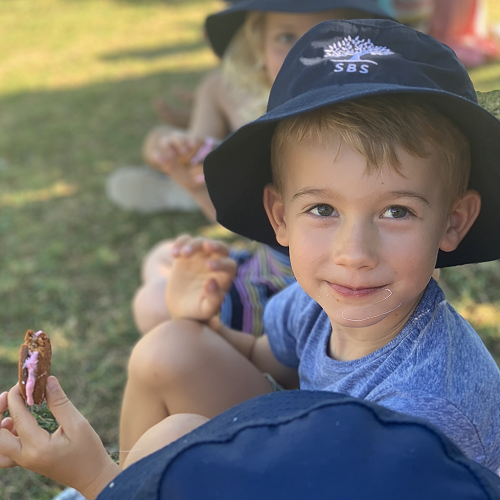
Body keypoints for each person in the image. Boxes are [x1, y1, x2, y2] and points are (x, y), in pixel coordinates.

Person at [119, 18, 500, 473]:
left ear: (452, 222)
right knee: (171, 347)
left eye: (396, 212)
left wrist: (89, 470)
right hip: (325, 454)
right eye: (323, 209)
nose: (353, 254)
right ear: (281, 217)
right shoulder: (317, 302)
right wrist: (201, 320)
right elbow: (263, 359)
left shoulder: (425, 403)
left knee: (171, 436)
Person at [123, 0, 392, 337]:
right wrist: (195, 185)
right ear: (258, 48)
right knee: (162, 256)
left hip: (321, 295)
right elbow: (253, 223)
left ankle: (241, 348)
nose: (304, 52)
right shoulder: (257, 116)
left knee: (154, 305)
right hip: (267, 270)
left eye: (325, 36)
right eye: (285, 37)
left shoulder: (371, 124)